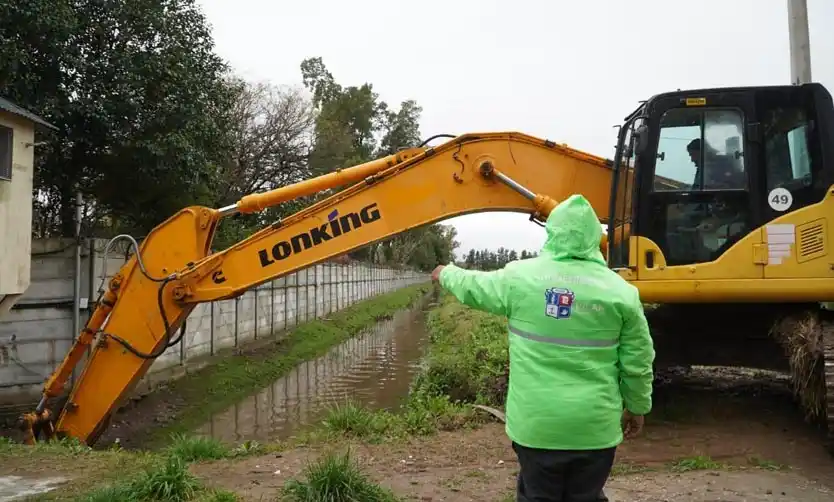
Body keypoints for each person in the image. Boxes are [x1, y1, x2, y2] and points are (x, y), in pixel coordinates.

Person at [431, 194, 655, 502]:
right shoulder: (622, 293)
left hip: (537, 428)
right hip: (595, 429)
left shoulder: (520, 279)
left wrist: (447, 273)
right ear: (595, 238)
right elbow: (638, 362)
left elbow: (475, 286)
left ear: (552, 232)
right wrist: (638, 407)